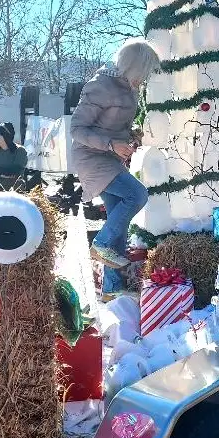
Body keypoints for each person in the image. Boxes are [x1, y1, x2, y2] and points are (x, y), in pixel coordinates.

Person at [71, 39, 158, 291]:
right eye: (145, 71)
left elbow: (114, 123)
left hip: (110, 156)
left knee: (118, 227)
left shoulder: (129, 88)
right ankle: (100, 244)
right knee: (137, 194)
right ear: (133, 66)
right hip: (92, 157)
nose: (146, 78)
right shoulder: (100, 86)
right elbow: (76, 129)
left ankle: (112, 289)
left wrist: (131, 134)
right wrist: (111, 144)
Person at [0, 122, 28, 190]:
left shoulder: (19, 151)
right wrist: (2, 173)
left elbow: (16, 170)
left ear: (6, 136)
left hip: (13, 189)